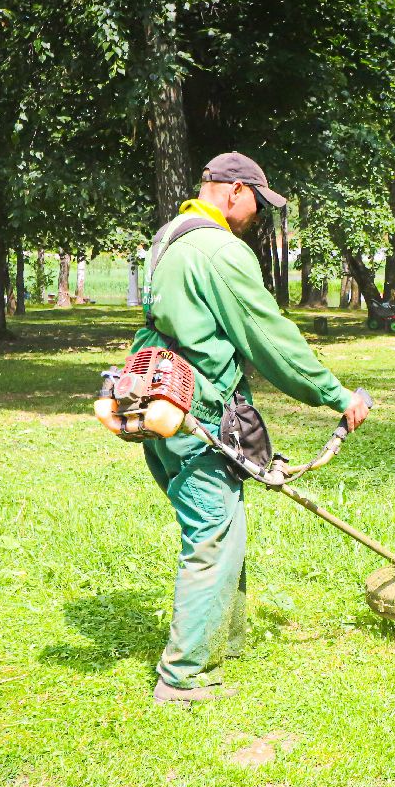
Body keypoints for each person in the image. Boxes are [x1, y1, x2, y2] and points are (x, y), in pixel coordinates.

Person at [132, 152, 371, 704]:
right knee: (212, 537)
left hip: (163, 402)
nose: (257, 216)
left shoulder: (169, 238)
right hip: (200, 417)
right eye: (258, 204)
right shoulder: (218, 250)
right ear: (234, 191)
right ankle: (184, 676)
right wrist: (336, 396)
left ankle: (223, 641)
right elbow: (270, 338)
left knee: (226, 527)